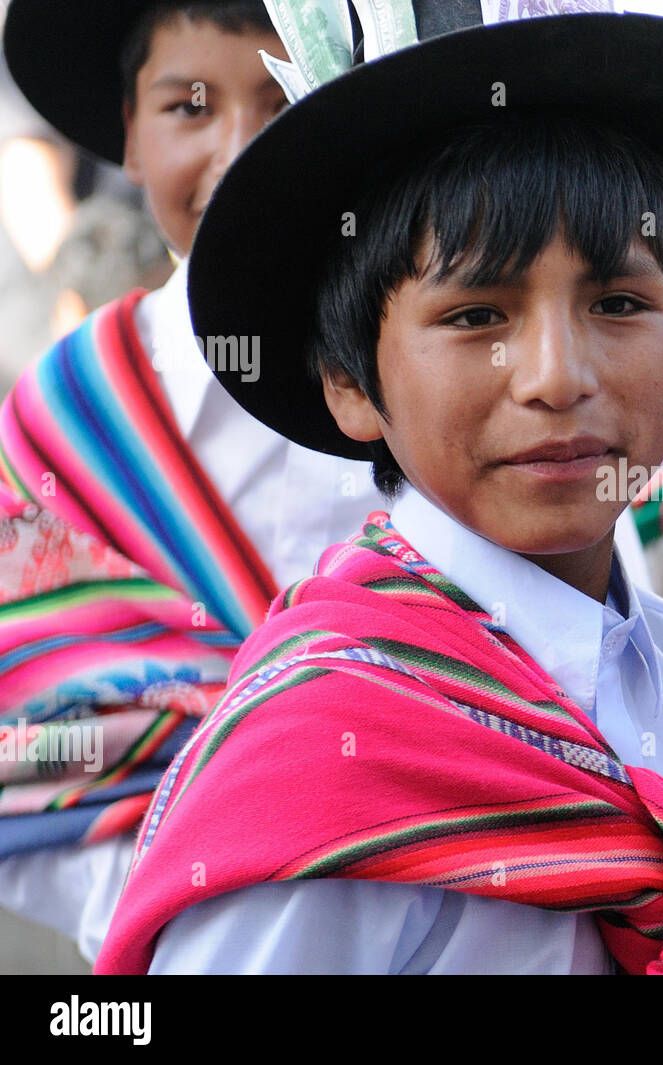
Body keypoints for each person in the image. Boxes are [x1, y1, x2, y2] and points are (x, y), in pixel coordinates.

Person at [95, 3, 663, 976]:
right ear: (352, 382)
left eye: (618, 304)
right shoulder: (314, 777)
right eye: (478, 312)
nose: (555, 376)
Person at [0, 0, 388, 965]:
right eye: (189, 108)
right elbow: (25, 763)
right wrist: (196, 918)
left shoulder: (442, 385)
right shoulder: (70, 425)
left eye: (285, 99)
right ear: (127, 138)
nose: (243, 149)